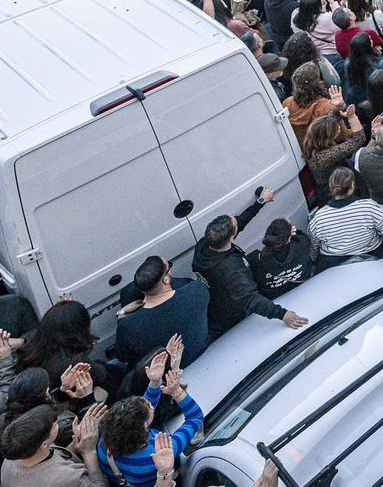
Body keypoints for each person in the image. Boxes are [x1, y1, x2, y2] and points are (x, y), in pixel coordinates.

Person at [191, 188, 307, 338]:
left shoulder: (207, 244)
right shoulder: (232, 270)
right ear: (232, 238)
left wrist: (261, 201)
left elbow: (239, 222)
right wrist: (283, 315)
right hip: (230, 316)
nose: (237, 219)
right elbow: (252, 300)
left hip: (218, 298)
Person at [96, 348, 202, 486]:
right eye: (149, 410)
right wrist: (177, 392)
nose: (150, 405)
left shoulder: (104, 442)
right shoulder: (160, 451)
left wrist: (154, 382)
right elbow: (195, 417)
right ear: (144, 429)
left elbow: (140, 413)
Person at [115, 256, 211, 368]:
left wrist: (122, 313)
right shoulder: (197, 290)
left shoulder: (128, 326)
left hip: (164, 374)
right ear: (165, 280)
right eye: (169, 266)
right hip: (202, 353)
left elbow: (122, 357)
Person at [308, 167, 383, 267]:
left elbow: (313, 246)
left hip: (334, 263)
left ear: (330, 186)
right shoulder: (368, 206)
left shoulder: (319, 218)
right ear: (352, 186)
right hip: (371, 254)